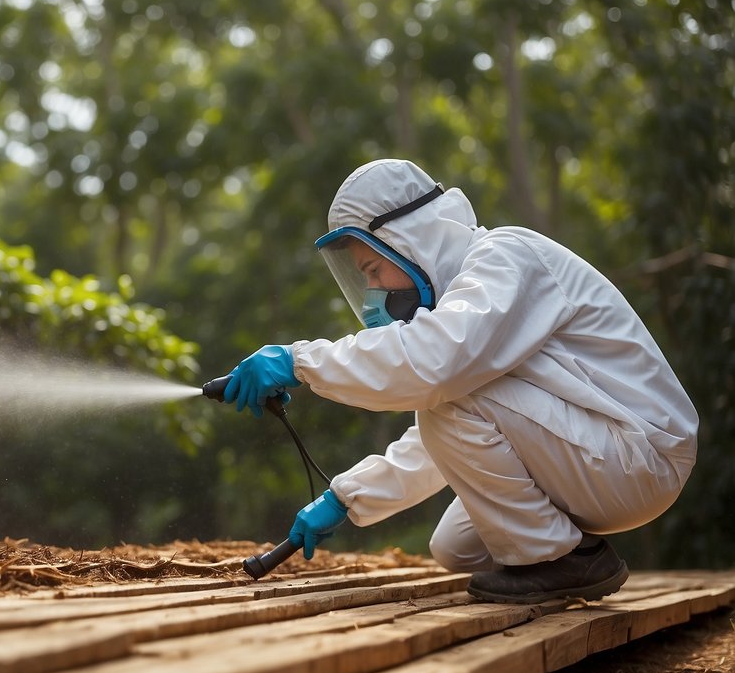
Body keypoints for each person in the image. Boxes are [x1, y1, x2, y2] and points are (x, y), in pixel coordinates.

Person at [220, 159, 698, 604]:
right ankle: (561, 553)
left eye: (373, 268)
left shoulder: (506, 256)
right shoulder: (465, 302)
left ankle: (566, 561)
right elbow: (455, 438)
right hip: (602, 458)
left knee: (444, 398)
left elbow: (436, 373)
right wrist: (346, 496)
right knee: (455, 546)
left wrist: (299, 361)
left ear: (409, 237)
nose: (375, 288)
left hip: (640, 454)